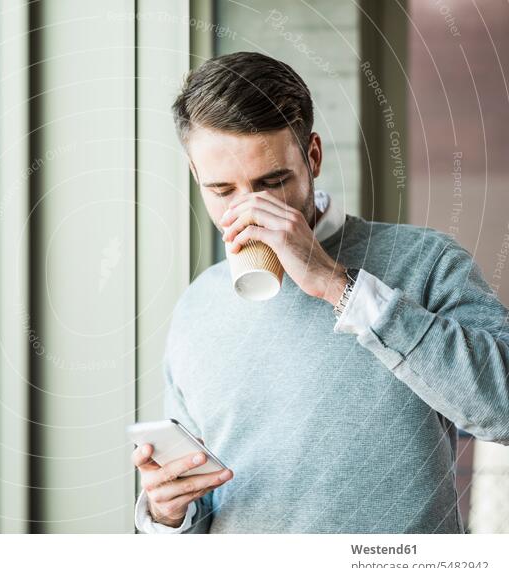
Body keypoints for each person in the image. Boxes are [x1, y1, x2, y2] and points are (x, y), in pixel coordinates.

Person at [131, 51, 509, 534]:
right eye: (223, 191)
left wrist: (337, 284)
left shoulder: (426, 261)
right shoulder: (198, 305)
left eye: (272, 183)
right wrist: (167, 513)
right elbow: (205, 497)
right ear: (195, 174)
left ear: (312, 156)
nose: (249, 209)